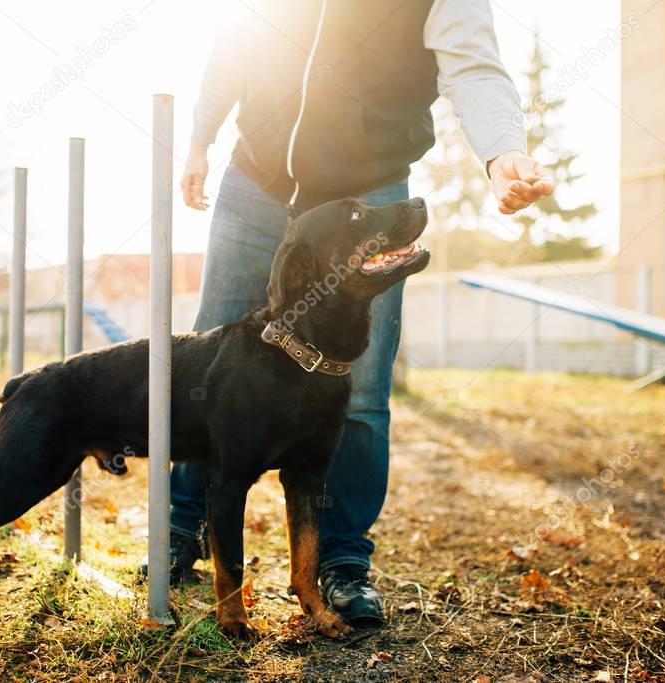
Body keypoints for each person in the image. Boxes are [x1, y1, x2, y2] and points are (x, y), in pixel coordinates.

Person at [159, 0, 554, 625]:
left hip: (367, 192)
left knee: (361, 390)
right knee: (209, 366)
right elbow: (237, 37)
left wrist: (502, 150)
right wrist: (202, 137)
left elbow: (473, 67)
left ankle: (341, 562)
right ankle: (182, 532)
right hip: (255, 181)